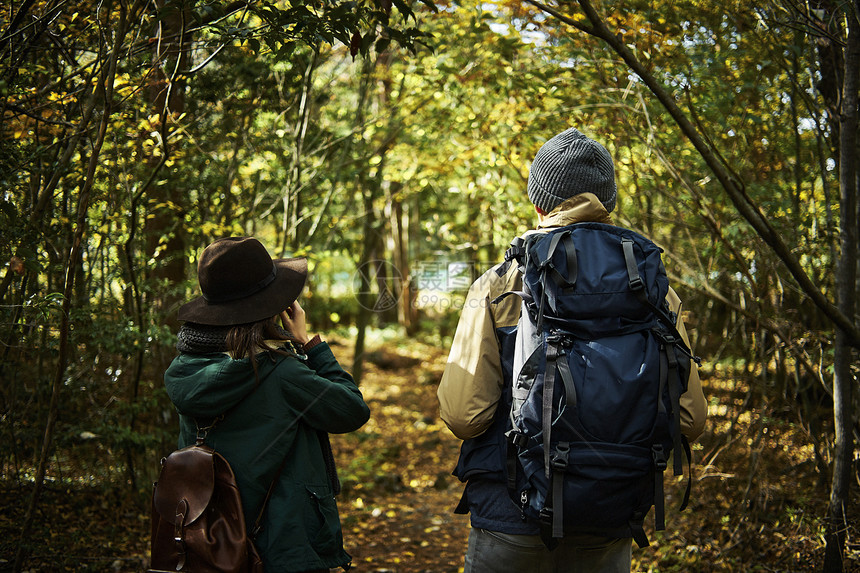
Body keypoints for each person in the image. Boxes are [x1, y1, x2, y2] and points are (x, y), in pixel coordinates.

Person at [437, 127, 707, 573]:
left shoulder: (502, 284)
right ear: (609, 202)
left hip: (512, 511)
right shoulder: (655, 290)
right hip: (610, 510)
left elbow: (465, 416)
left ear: (539, 202)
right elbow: (691, 420)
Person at [164, 236, 370, 573]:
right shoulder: (281, 372)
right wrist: (311, 345)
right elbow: (352, 409)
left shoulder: (183, 369)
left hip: (211, 541)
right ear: (271, 306)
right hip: (283, 545)